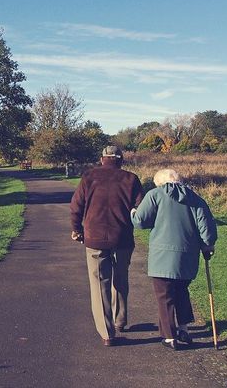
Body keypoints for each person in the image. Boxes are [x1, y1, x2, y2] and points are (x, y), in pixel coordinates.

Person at [131, 169, 217, 350]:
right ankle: (184, 329)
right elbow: (207, 230)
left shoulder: (155, 195)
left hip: (161, 257)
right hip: (187, 257)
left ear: (159, 182)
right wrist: (208, 246)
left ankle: (170, 337)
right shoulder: (195, 198)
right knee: (181, 291)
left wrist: (132, 212)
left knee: (165, 296)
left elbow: (140, 221)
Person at [70, 145, 143, 346]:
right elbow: (140, 208)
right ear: (120, 160)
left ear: (102, 159)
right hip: (123, 238)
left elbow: (76, 205)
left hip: (94, 238)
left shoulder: (88, 177)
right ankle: (120, 320)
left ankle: (107, 333)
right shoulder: (131, 179)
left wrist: (76, 229)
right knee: (120, 278)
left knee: (99, 283)